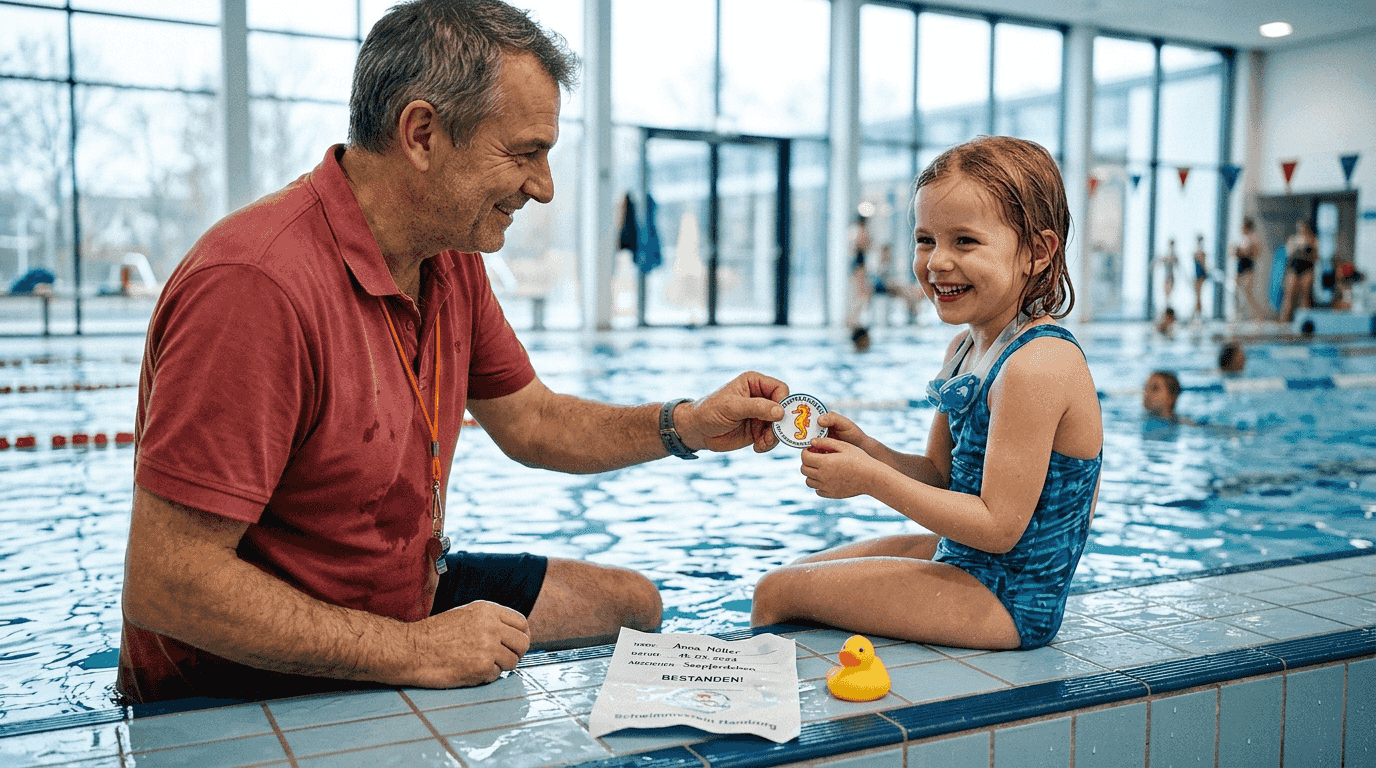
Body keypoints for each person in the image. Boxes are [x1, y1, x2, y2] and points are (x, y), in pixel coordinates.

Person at [116, 0, 788, 706]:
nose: (544, 187)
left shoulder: (447, 259)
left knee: (630, 605)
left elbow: (534, 422)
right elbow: (168, 583)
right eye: (524, 153)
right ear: (423, 134)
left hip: (400, 598)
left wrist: (686, 425)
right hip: (243, 674)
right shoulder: (256, 286)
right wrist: (415, 651)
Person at [751, 136, 1103, 651]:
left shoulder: (1038, 364)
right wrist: (868, 449)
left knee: (776, 595)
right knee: (787, 578)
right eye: (925, 240)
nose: (937, 262)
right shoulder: (965, 348)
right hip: (961, 559)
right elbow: (940, 477)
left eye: (965, 241)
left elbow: (999, 527)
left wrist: (870, 479)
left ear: (1037, 252)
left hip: (1010, 600)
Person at [1279, 218, 1318, 322]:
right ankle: (1283, 321)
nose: (1301, 228)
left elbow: (1316, 257)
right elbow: (1287, 254)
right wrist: (1297, 247)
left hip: (1307, 268)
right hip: (1294, 268)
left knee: (1304, 297)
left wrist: (1308, 248)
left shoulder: (1313, 240)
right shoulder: (1293, 239)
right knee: (1288, 296)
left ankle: (1303, 322)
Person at [1231, 217, 1270, 320]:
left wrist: (1246, 252)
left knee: (1248, 292)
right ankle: (1237, 314)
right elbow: (1231, 253)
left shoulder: (1253, 239)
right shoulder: (1240, 239)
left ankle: (1259, 314)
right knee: (1235, 292)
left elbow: (1258, 253)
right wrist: (1238, 252)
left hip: (1248, 267)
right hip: (1240, 266)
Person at [845, 214, 874, 328]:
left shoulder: (853, 233)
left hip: (858, 266)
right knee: (860, 295)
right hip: (858, 267)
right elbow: (864, 245)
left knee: (859, 295)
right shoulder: (859, 233)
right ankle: (852, 319)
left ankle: (853, 319)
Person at [1191, 234, 1208, 320]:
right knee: (1197, 296)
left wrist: (1205, 274)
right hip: (1197, 275)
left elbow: (1203, 264)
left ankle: (1197, 314)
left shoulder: (1201, 252)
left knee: (1198, 296)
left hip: (1200, 275)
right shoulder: (1198, 251)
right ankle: (1197, 314)